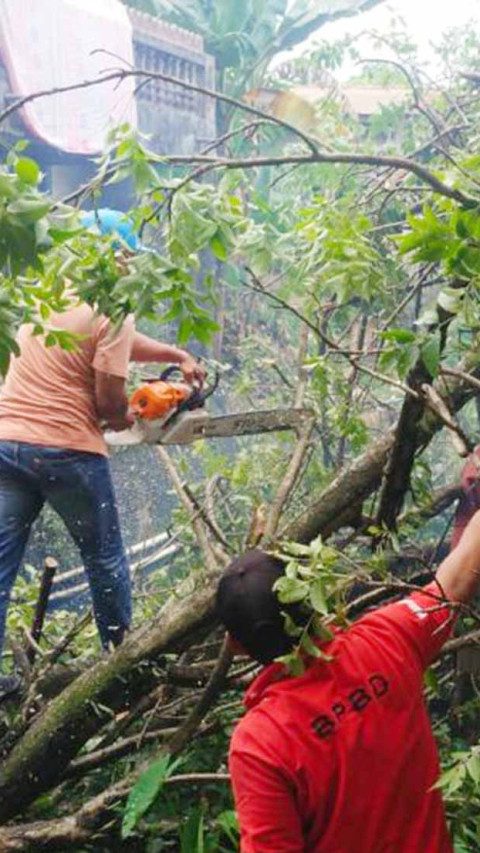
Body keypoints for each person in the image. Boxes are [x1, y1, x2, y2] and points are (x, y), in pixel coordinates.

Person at [0, 209, 205, 698]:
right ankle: (122, 664)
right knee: (106, 559)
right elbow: (109, 392)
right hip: (66, 450)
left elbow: (112, 344)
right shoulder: (113, 300)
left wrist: (175, 356)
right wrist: (122, 416)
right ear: (117, 253)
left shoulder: (44, 290)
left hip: (7, 442)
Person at [216, 510, 480, 853]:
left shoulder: (260, 744)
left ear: (235, 645)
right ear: (314, 599)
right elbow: (456, 580)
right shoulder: (385, 640)